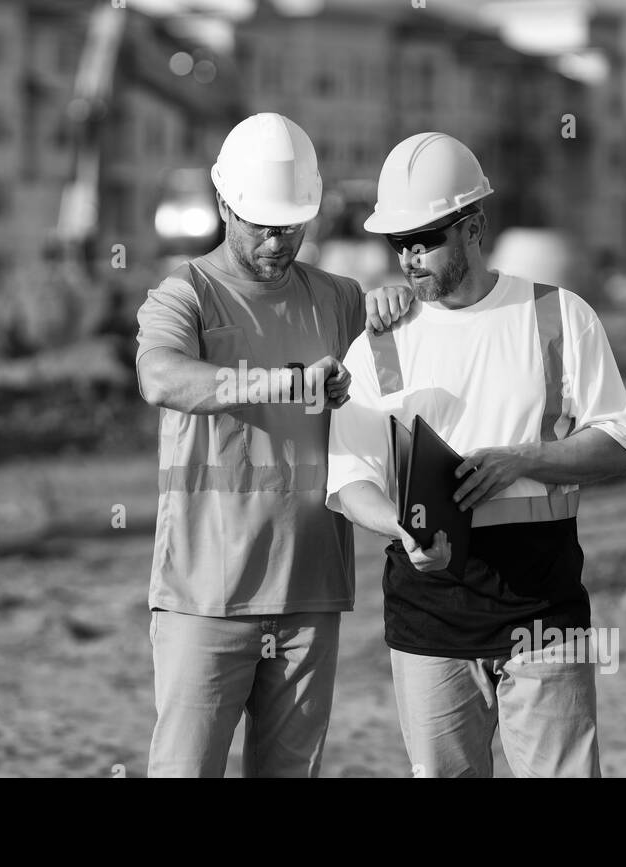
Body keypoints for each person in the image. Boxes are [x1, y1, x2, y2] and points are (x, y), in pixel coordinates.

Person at [325, 132, 626, 778]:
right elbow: (351, 476)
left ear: (475, 227)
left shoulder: (558, 317)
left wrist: (523, 459)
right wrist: (399, 527)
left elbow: (613, 444)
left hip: (543, 606)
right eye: (399, 243)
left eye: (427, 238)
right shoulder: (380, 344)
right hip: (428, 611)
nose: (410, 257)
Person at [135, 113, 411, 777]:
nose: (276, 238)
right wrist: (286, 384)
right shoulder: (186, 294)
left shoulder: (341, 300)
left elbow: (401, 404)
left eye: (290, 223)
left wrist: (403, 313)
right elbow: (160, 376)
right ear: (224, 203)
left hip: (310, 595)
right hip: (205, 598)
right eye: (260, 222)